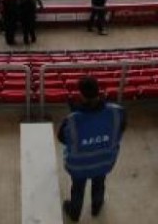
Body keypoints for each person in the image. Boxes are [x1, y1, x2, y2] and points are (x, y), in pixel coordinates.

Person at [57, 76, 126, 222]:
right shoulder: (117, 112)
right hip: (105, 161)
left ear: (80, 94)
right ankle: (96, 206)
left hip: (78, 166)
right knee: (99, 182)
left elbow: (62, 138)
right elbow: (121, 129)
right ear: (98, 91)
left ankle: (74, 213)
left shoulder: (72, 119)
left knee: (78, 189)